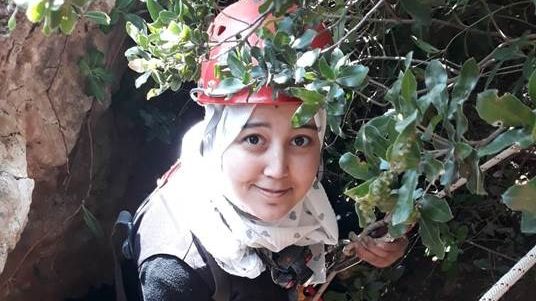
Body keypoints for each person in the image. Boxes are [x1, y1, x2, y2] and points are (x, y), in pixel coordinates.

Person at [130, 1, 408, 300]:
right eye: (253, 139)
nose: (278, 169)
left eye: (300, 140)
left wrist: (387, 243)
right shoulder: (177, 268)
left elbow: (358, 224)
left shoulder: (314, 193)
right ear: (218, 138)